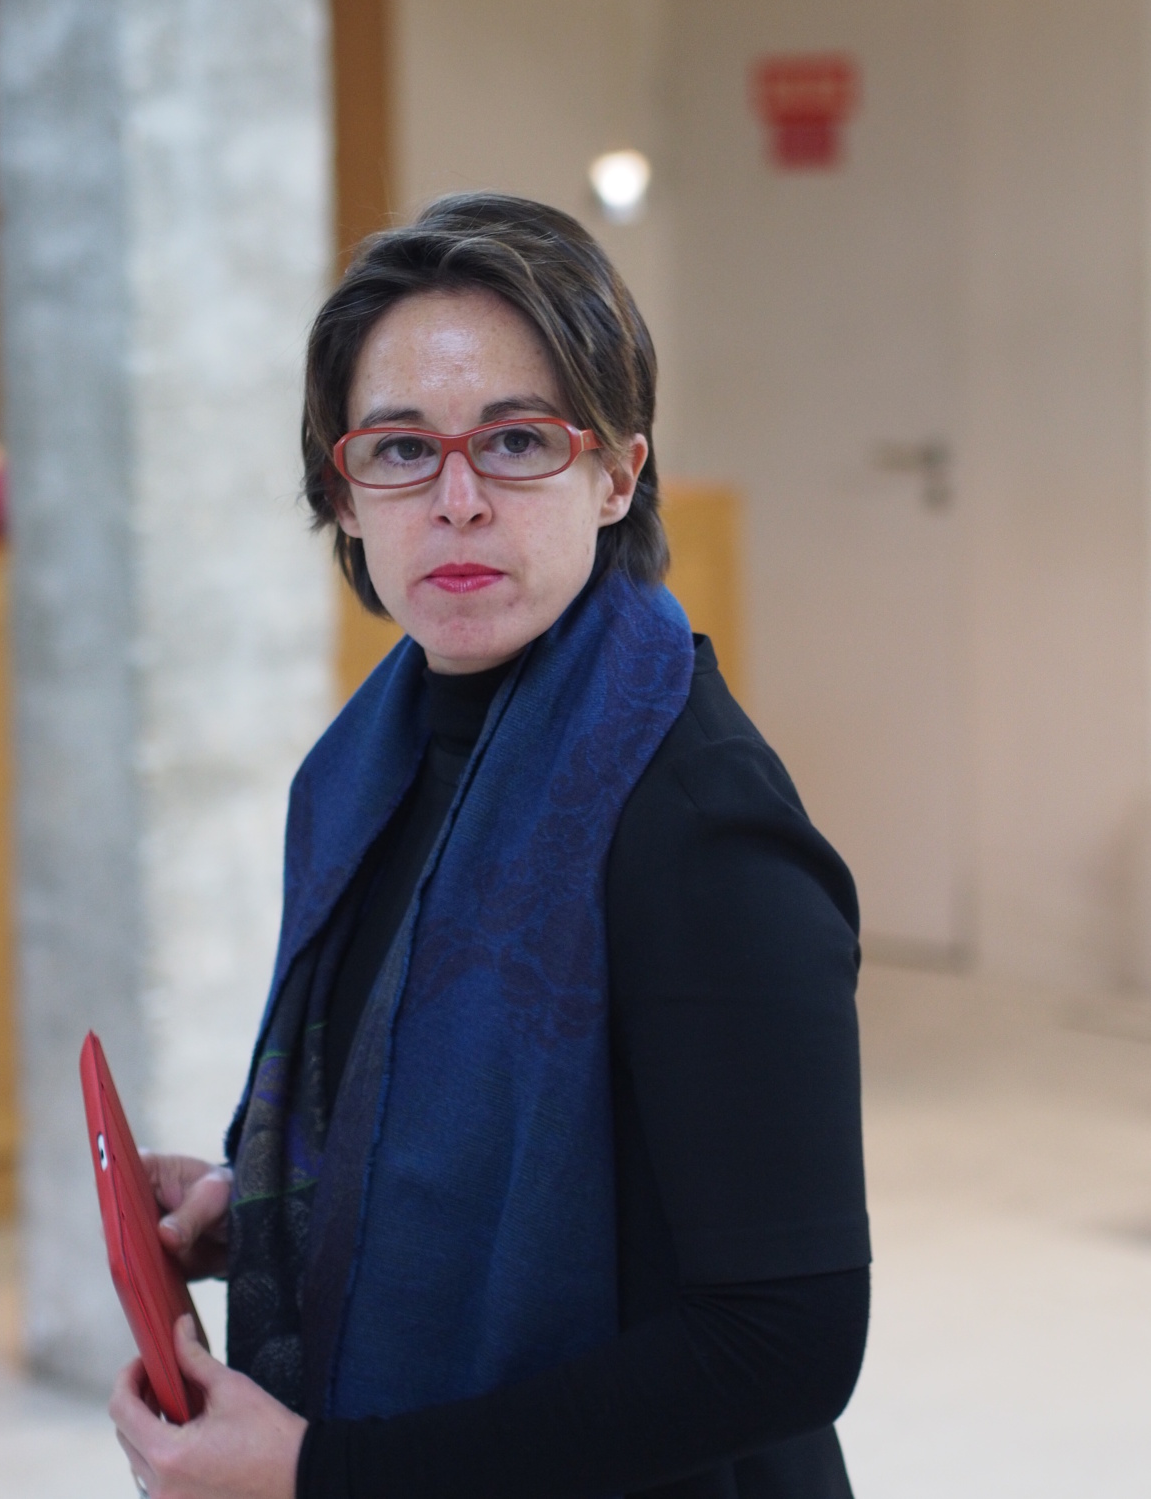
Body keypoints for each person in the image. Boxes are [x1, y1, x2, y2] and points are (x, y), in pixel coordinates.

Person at [111, 194, 870, 1499]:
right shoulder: (367, 772)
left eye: (516, 440)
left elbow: (783, 1344)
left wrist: (328, 1475)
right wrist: (282, 1202)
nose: (455, 500)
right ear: (344, 496)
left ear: (616, 473)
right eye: (401, 449)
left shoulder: (700, 825)